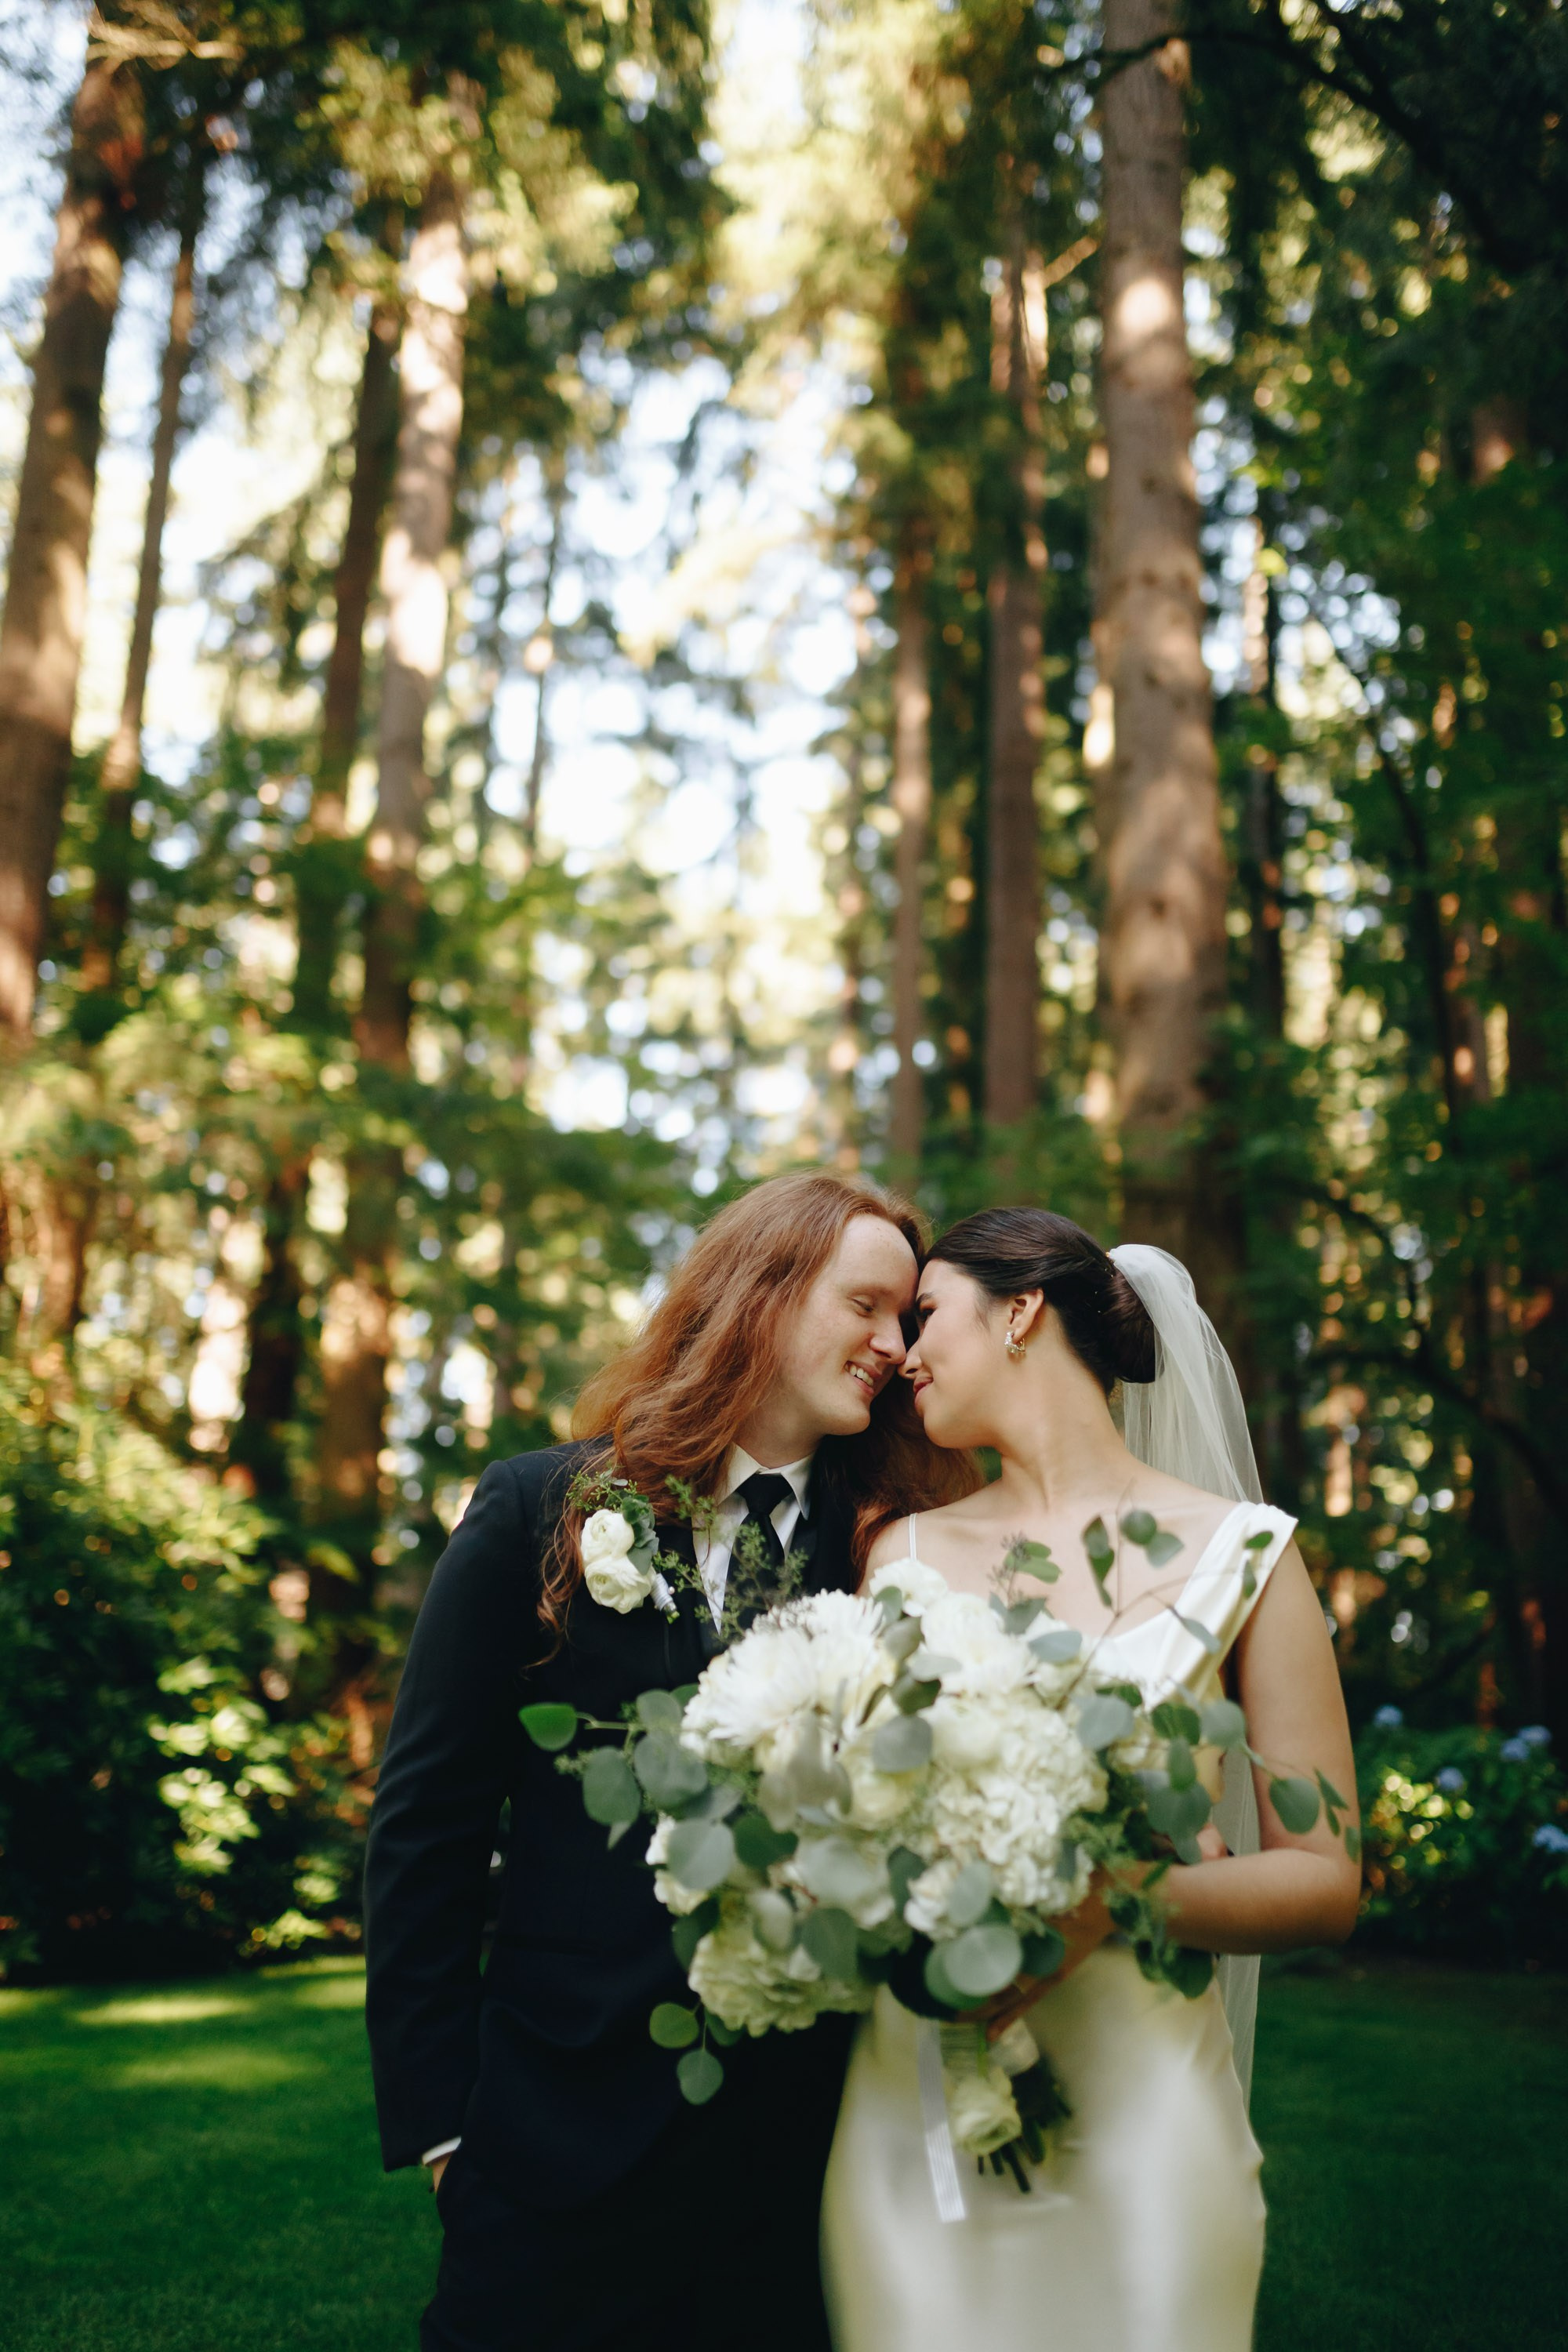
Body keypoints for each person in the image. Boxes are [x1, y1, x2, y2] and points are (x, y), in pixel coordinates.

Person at [364, 1169, 971, 2352]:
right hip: (550, 2137)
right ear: (764, 1290)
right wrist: (444, 2131)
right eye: (866, 1306)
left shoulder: (897, 1553)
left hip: (802, 2153)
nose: (894, 1346)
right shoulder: (540, 1507)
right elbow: (425, 1826)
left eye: (907, 1319)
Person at [822, 1207, 1361, 2352]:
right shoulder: (899, 1559)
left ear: (1021, 1312)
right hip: (922, 2120)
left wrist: (1113, 1895)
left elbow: (1323, 1879)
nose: (902, 1355)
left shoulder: (1247, 1555)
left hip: (1148, 2121)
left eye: (925, 1317)